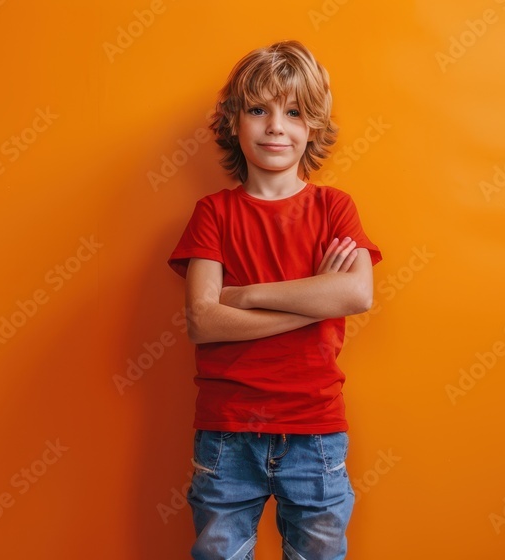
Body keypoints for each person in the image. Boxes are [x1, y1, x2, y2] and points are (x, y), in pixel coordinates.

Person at [167, 39, 382, 560]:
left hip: (315, 431)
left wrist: (244, 296)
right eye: (259, 111)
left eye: (293, 113)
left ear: (313, 127)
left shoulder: (334, 207)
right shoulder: (213, 213)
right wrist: (314, 299)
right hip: (227, 430)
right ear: (234, 122)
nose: (275, 127)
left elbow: (356, 293)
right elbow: (202, 320)